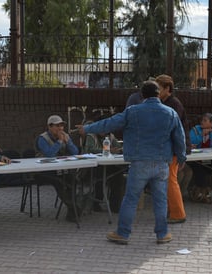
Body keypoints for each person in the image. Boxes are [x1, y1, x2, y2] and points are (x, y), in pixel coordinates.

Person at [76, 80, 186, 244]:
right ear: (158, 94)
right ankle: (162, 234)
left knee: (131, 199)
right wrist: (182, 157)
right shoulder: (170, 113)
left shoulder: (133, 111)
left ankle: (123, 233)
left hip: (139, 162)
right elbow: (180, 138)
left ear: (142, 95)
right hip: (162, 162)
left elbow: (109, 123)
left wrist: (87, 128)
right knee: (160, 199)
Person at [155, 74, 190, 224]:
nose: (157, 91)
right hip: (173, 148)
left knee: (170, 180)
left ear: (167, 88)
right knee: (169, 180)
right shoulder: (169, 103)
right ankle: (173, 211)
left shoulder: (173, 104)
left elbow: (175, 131)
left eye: (159, 88)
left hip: (174, 149)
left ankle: (177, 213)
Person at [35, 115, 80, 222]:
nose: (60, 129)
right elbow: (49, 154)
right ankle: (75, 208)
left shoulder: (65, 136)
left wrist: (68, 142)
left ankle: (72, 211)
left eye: (62, 126)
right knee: (59, 182)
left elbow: (75, 152)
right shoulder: (42, 138)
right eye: (57, 126)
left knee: (72, 179)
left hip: (61, 169)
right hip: (44, 170)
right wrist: (59, 142)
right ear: (49, 127)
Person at [82, 125, 124, 212]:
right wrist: (107, 150)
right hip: (93, 166)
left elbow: (118, 145)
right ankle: (96, 202)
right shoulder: (91, 136)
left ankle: (114, 205)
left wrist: (118, 149)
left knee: (118, 176)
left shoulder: (110, 136)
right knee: (100, 178)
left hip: (108, 164)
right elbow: (90, 149)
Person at [189, 113, 212, 203]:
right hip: (196, 160)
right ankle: (201, 193)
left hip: (209, 159)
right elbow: (191, 142)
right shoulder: (195, 130)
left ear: (211, 123)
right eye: (202, 120)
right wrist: (201, 135)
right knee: (200, 170)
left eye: (205, 120)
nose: (202, 122)